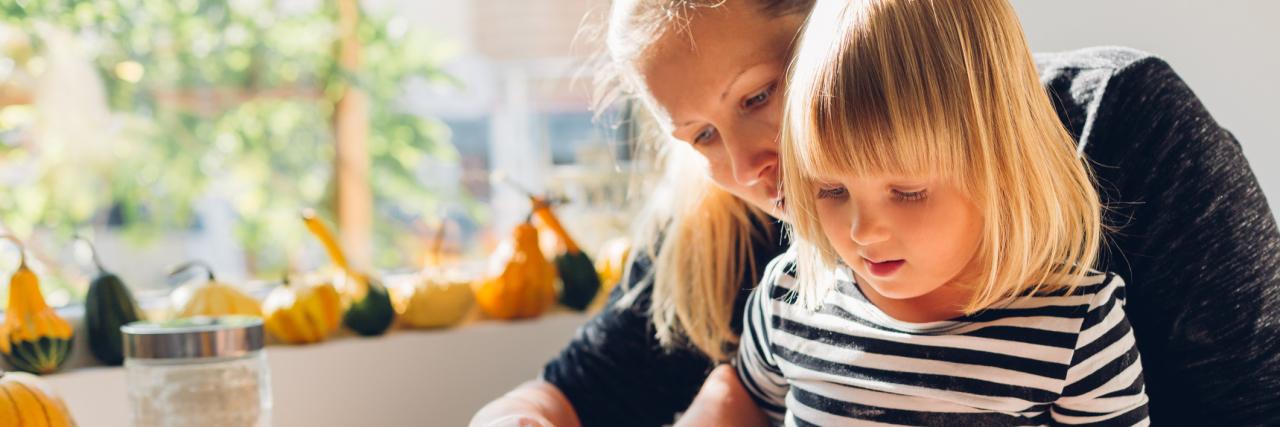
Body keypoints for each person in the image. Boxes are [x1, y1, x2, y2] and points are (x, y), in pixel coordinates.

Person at [470, 0, 1280, 425]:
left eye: (759, 95)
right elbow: (587, 389)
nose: (748, 167)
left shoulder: (1126, 125)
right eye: (700, 135)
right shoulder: (759, 236)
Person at [734, 0, 1148, 424]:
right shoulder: (789, 295)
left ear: (1002, 164)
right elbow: (744, 407)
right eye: (832, 189)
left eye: (907, 193)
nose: (863, 231)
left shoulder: (1075, 328)